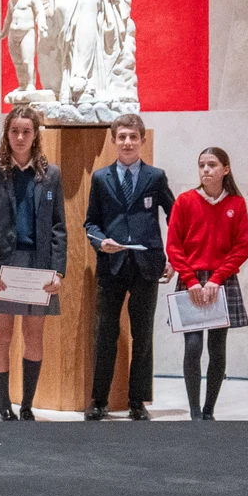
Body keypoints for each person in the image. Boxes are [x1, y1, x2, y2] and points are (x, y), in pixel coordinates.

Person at [0, 106, 66, 420]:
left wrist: (58, 271)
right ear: (6, 134)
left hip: (38, 266)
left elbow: (58, 227)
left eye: (27, 131)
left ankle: (27, 405)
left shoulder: (50, 173)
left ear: (36, 134)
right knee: (2, 335)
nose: (20, 137)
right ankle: (4, 405)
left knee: (34, 335)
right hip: (3, 265)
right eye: (15, 131)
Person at [84, 113, 174, 420]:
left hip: (146, 265)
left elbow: (176, 217)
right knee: (105, 332)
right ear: (113, 140)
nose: (127, 143)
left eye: (133, 137)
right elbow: (90, 223)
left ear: (142, 140)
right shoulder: (100, 178)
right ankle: (98, 401)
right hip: (112, 265)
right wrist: (100, 242)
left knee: (143, 335)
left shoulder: (156, 177)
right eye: (121, 137)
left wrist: (173, 257)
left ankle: (138, 402)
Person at [166, 147, 248, 420]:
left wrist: (216, 278)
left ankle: (209, 409)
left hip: (221, 281)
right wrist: (190, 280)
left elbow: (241, 248)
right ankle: (194, 412)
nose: (205, 170)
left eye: (212, 165)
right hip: (191, 281)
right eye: (201, 165)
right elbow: (174, 245)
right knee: (193, 347)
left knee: (217, 348)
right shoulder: (185, 201)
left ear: (226, 169)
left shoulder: (236, 204)